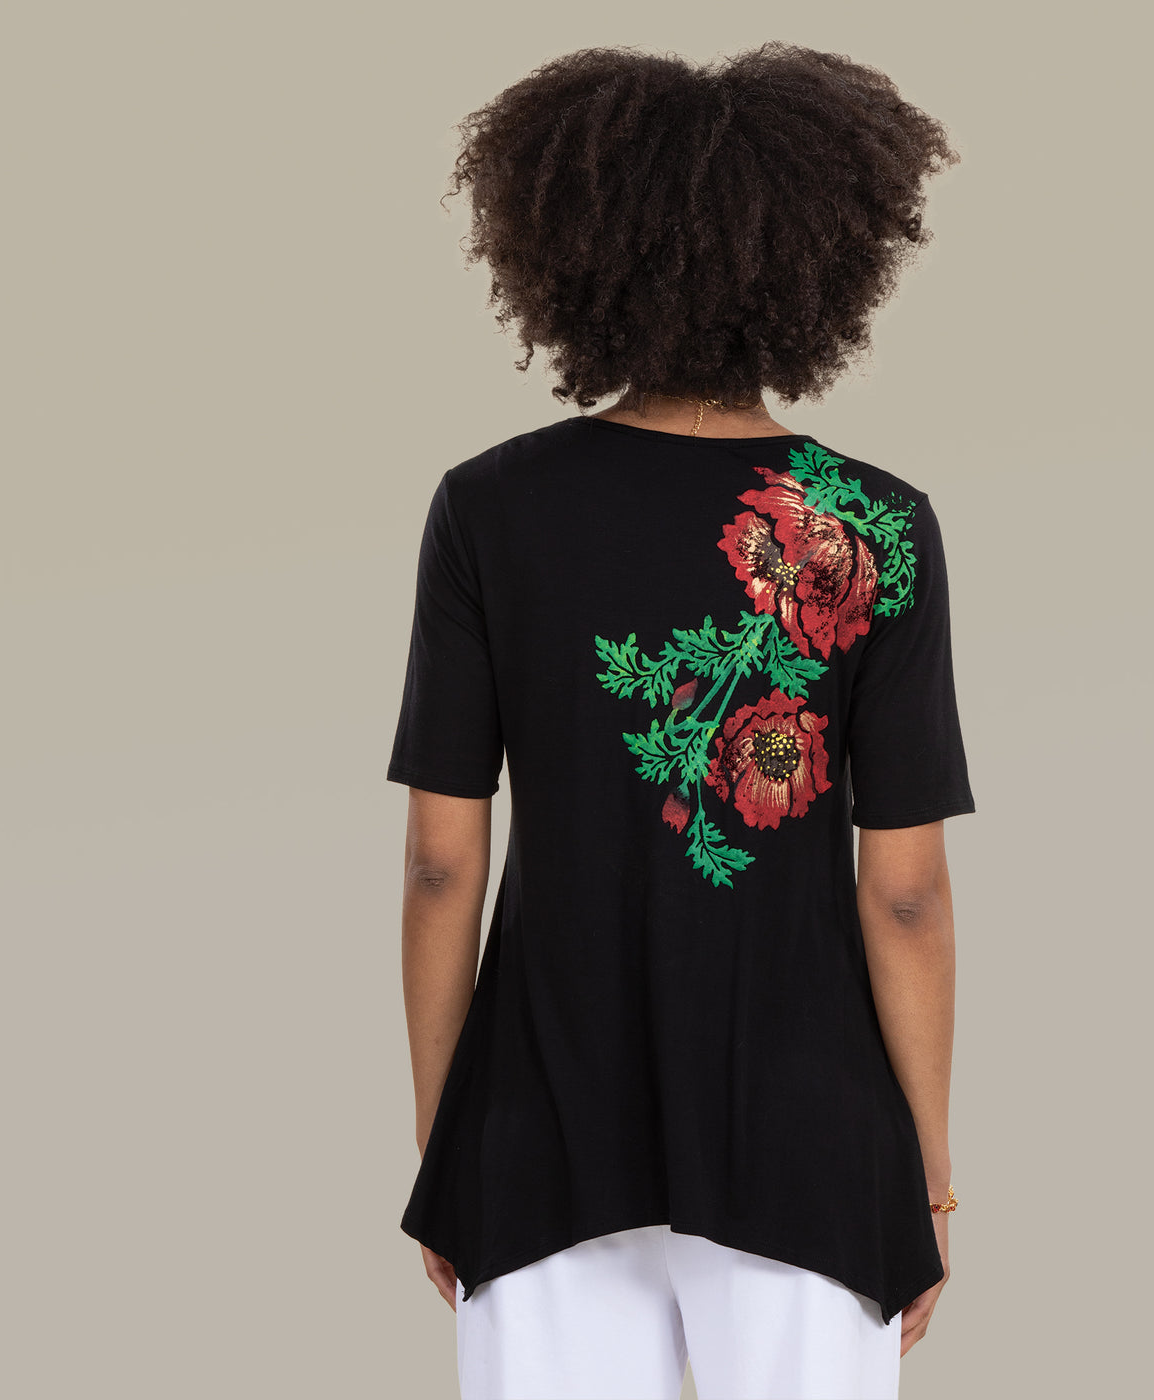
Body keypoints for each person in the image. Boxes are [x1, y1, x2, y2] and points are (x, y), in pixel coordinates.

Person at [387, 40, 975, 1400]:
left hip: (538, 1136)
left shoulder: (489, 508)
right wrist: (927, 1175)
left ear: (569, 253)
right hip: (811, 1148)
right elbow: (904, 893)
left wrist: (449, 1141)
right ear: (821, 262)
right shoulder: (877, 524)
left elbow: (440, 865)